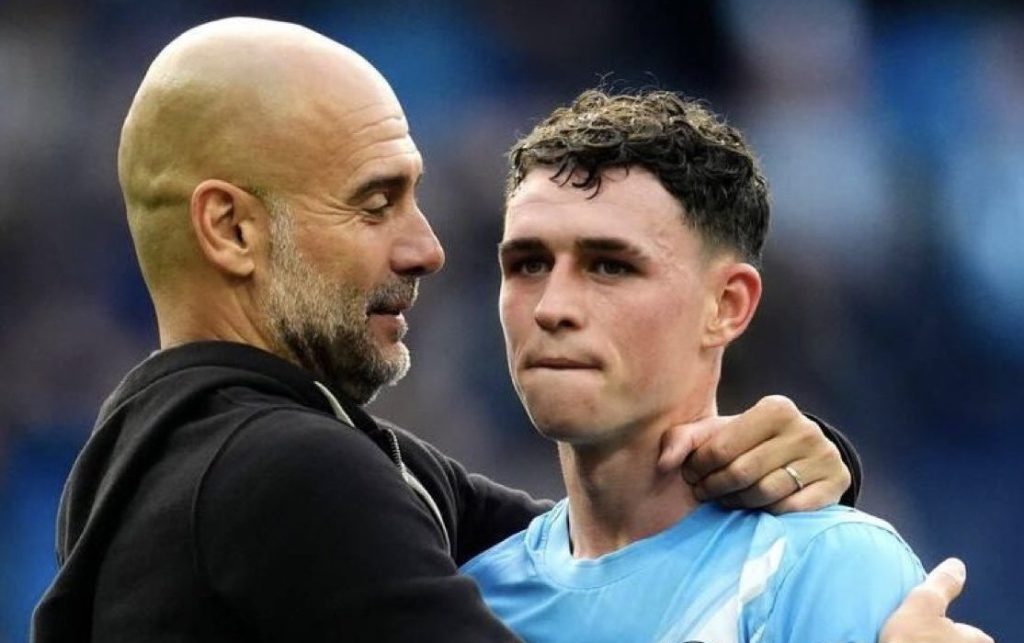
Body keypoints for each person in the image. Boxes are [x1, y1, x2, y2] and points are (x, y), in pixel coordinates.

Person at [28, 17, 983, 643]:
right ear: (231, 228)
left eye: (608, 263)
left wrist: (799, 473)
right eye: (374, 204)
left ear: (728, 304)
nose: (428, 249)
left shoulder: (161, 461)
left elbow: (596, 554)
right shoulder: (283, 474)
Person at [461, 89, 992, 642]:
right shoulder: (470, 595)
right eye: (528, 264)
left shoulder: (821, 567)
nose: (552, 308)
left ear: (727, 306)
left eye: (610, 267)